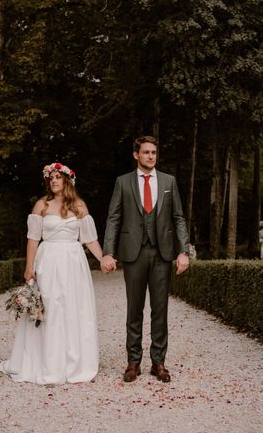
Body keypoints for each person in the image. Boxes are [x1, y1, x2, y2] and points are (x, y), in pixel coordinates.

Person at [0, 162, 103, 384]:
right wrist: (29, 268)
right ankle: (48, 361)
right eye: (51, 177)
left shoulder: (79, 206)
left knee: (74, 308)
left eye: (58, 177)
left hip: (74, 263)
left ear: (67, 180)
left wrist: (102, 258)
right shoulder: (41, 206)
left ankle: (74, 362)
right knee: (51, 308)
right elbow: (33, 239)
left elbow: (89, 238)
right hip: (49, 260)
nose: (54, 180)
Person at [100, 136, 190, 383]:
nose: (151, 156)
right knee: (134, 308)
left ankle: (159, 362)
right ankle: (133, 362)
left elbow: (179, 217)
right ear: (136, 155)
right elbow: (114, 218)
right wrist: (108, 252)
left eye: (153, 152)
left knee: (160, 309)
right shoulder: (123, 182)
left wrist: (184, 251)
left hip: (162, 253)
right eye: (146, 152)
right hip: (133, 252)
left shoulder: (169, 181)